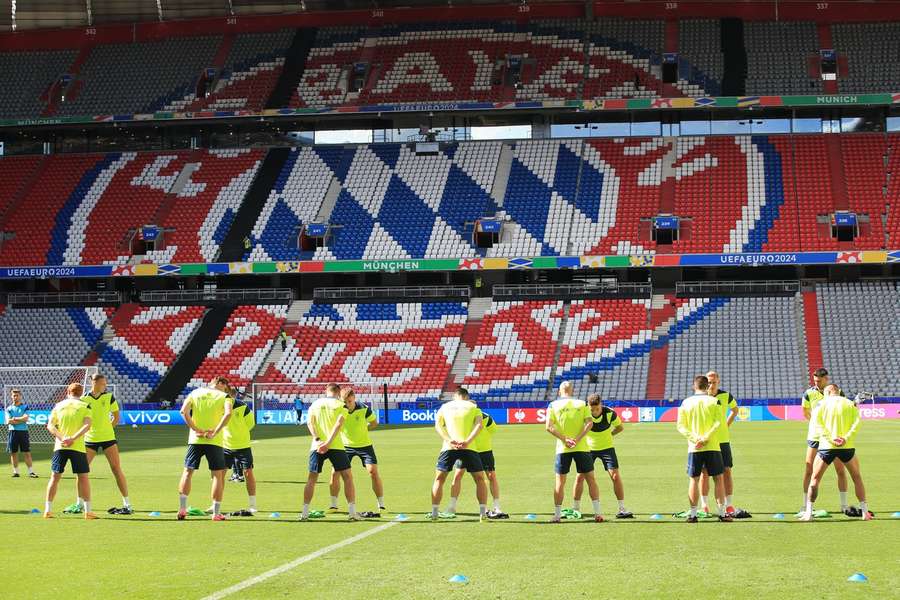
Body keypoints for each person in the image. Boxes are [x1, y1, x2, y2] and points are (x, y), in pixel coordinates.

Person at [800, 385, 872, 521]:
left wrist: (830, 438)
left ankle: (808, 512)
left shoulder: (821, 404)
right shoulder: (850, 404)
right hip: (847, 447)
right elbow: (856, 423)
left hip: (827, 447)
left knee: (815, 479)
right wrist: (846, 437)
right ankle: (865, 512)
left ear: (827, 392)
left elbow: (817, 424)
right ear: (838, 392)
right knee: (857, 478)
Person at [67, 374, 131, 515]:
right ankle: (79, 504)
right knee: (81, 472)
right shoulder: (84, 399)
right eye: (103, 383)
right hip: (89, 440)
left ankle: (127, 504)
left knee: (116, 469)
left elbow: (116, 416)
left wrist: (109, 428)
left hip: (108, 438)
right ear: (94, 384)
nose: (105, 386)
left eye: (105, 383)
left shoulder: (109, 397)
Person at [801, 368, 858, 516]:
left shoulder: (838, 392)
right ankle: (805, 506)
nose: (816, 383)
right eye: (815, 381)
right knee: (809, 470)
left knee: (840, 470)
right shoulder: (809, 393)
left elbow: (846, 408)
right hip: (815, 436)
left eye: (819, 381)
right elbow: (805, 411)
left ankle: (844, 505)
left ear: (826, 379)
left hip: (833, 438)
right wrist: (815, 423)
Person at [545, 381, 604, 523]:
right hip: (581, 447)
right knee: (591, 479)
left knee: (560, 482)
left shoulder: (553, 405)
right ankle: (598, 513)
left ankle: (557, 516)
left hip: (562, 448)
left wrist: (565, 439)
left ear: (559, 391)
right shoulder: (581, 404)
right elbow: (590, 423)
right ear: (572, 391)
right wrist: (577, 440)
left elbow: (548, 427)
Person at [177, 376, 233, 521]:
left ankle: (182, 509)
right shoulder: (224, 396)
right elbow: (228, 413)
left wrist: (195, 429)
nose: (225, 389)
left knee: (187, 472)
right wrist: (215, 431)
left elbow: (183, 411)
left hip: (195, 439)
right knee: (217, 475)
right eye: (225, 386)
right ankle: (216, 513)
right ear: (220, 383)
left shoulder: (195, 393)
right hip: (214, 440)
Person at [677, 375, 731, 523]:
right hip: (712, 445)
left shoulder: (686, 402)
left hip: (695, 448)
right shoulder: (715, 401)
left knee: (694, 479)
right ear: (707, 386)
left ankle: (693, 514)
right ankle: (722, 513)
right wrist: (706, 437)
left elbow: (680, 426)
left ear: (694, 386)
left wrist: (695, 439)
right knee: (718, 478)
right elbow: (718, 422)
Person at [430, 388, 488, 521]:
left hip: (448, 447)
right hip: (469, 447)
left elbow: (438, 426)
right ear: (466, 396)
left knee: (439, 479)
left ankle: (434, 512)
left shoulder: (445, 407)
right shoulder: (473, 407)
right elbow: (479, 425)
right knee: (479, 479)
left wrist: (449, 440)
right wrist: (467, 441)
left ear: (455, 396)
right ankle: (482, 513)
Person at [302, 383, 358, 521]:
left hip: (317, 445)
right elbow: (339, 424)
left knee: (312, 478)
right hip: (336, 445)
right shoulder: (341, 405)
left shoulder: (315, 404)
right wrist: (328, 443)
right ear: (339, 393)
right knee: (347, 477)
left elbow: (310, 423)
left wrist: (318, 439)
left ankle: (304, 513)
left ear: (326, 391)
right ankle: (352, 513)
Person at [572, 394, 631, 519]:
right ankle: (575, 509)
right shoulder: (584, 413)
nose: (594, 412)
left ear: (601, 405)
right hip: (587, 450)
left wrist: (610, 434)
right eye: (592, 409)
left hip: (607, 449)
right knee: (580, 478)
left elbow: (620, 427)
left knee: (615, 476)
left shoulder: (610, 414)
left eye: (597, 409)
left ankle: (622, 508)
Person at [328, 387, 385, 513]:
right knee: (334, 473)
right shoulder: (338, 409)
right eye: (345, 402)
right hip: (344, 446)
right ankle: (333, 505)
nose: (347, 404)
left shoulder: (364, 408)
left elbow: (374, 423)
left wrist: (364, 430)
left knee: (373, 472)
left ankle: (381, 505)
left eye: (349, 401)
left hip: (364, 445)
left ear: (354, 398)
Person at [44, 383, 95, 519]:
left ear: (68, 391)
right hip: (77, 446)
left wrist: (62, 438)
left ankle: (48, 510)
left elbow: (50, 425)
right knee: (83, 478)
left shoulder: (58, 405)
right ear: (81, 392)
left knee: (54, 477)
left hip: (60, 446)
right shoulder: (85, 406)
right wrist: (72, 438)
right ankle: (88, 511)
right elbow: (87, 425)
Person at [447, 403, 506, 519]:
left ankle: (497, 506)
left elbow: (493, 430)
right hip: (467, 449)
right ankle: (452, 506)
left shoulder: (486, 418)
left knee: (491, 476)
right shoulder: (463, 418)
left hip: (484, 450)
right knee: (458, 475)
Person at [699, 371, 738, 515]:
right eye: (709, 382)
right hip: (707, 440)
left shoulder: (726, 396)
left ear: (718, 382)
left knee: (727, 471)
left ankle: (729, 504)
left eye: (714, 382)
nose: (711, 385)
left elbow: (735, 410)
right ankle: (704, 505)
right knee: (704, 472)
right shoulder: (701, 398)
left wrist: (726, 424)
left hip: (722, 440)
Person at [222, 387, 257, 516]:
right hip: (225, 445)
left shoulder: (243, 407)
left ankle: (252, 504)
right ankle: (215, 504)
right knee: (220, 475)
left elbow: (250, 424)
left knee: (248, 473)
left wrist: (239, 433)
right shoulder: (219, 406)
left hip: (243, 445)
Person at [5, 389, 36, 478]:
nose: (15, 397)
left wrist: (14, 419)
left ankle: (31, 472)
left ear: (20, 396)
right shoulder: (9, 408)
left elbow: (26, 418)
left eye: (17, 395)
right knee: (13, 452)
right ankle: (16, 472)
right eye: (14, 395)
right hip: (13, 432)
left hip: (23, 432)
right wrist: (20, 419)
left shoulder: (25, 407)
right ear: (11, 397)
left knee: (27, 452)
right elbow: (8, 421)